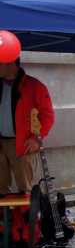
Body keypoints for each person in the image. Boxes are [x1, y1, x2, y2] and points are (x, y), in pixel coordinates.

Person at [0, 58, 55, 195]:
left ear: (10, 63)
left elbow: (47, 116)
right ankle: (4, 216)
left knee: (25, 189)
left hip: (22, 145)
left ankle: (24, 215)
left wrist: (37, 139)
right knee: (0, 188)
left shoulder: (34, 86)